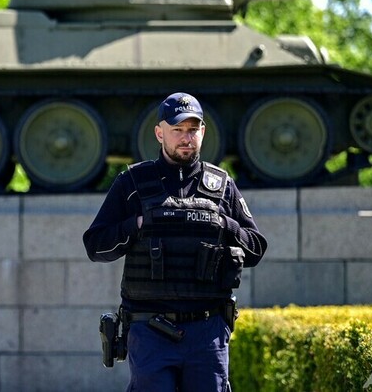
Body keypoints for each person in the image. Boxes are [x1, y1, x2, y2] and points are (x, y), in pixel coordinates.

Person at [83, 92, 267, 392]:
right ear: (160, 133)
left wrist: (223, 224)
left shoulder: (222, 186)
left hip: (207, 331)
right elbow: (95, 245)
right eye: (177, 129)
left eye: (193, 130)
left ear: (203, 132)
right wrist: (137, 224)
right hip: (150, 331)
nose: (186, 138)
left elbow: (256, 248)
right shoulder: (133, 182)